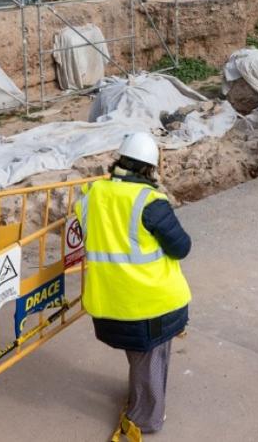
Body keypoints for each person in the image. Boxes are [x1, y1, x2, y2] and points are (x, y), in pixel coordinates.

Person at [78, 132, 192, 441]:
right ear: (150, 169)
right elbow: (181, 247)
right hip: (151, 304)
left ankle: (140, 395)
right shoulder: (150, 202)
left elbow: (88, 228)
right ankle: (146, 418)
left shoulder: (92, 194)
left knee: (140, 357)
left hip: (109, 302)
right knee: (152, 360)